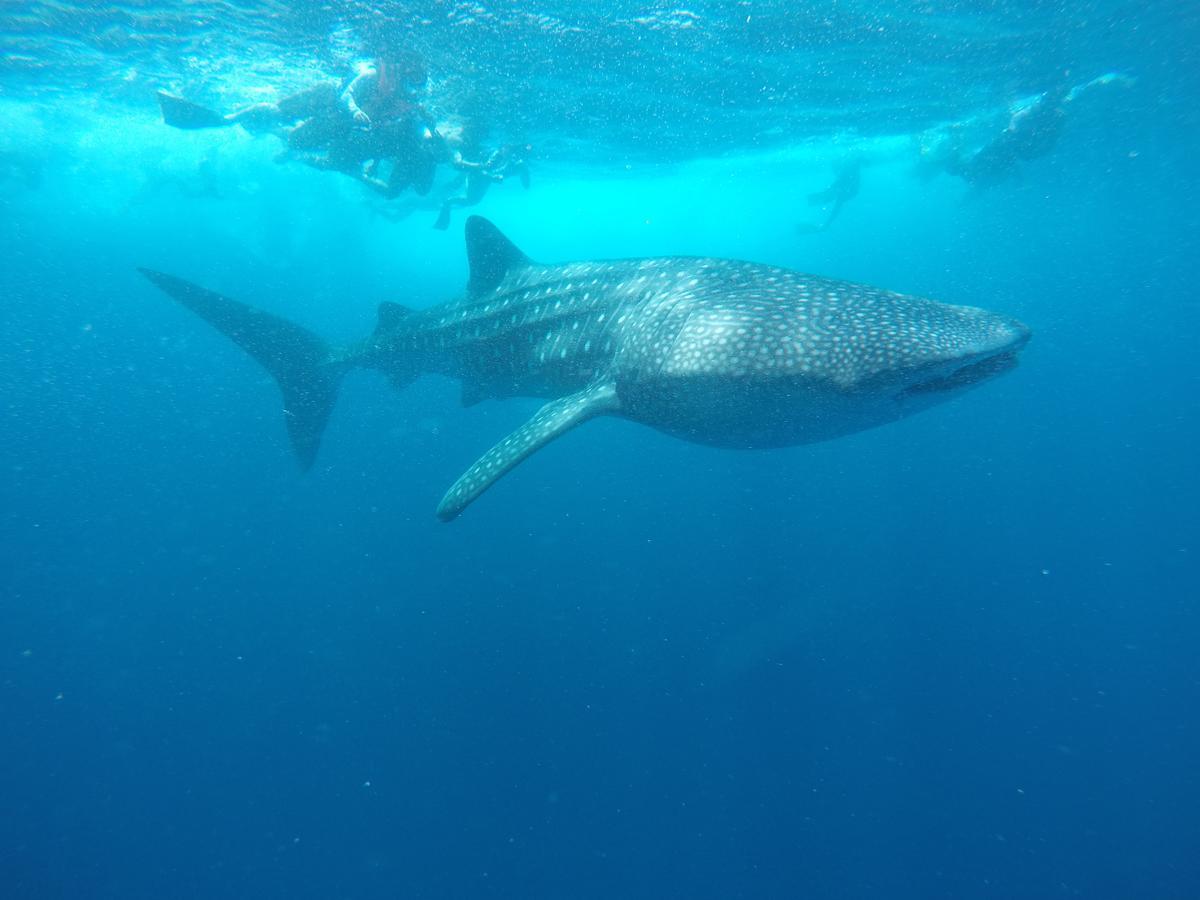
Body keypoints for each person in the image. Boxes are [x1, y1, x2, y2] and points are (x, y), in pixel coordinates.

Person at [432, 142, 532, 230]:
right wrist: (492, 177)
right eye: (508, 148)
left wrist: (521, 171)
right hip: (477, 177)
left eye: (511, 148)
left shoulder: (508, 156)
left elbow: (503, 170)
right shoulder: (494, 154)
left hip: (489, 175)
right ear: (503, 147)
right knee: (471, 200)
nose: (510, 151)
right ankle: (447, 203)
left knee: (472, 201)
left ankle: (448, 202)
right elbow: (478, 170)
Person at [797, 159, 861, 233]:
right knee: (832, 194)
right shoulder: (842, 183)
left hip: (848, 188)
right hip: (847, 187)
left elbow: (836, 207)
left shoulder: (843, 184)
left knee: (834, 195)